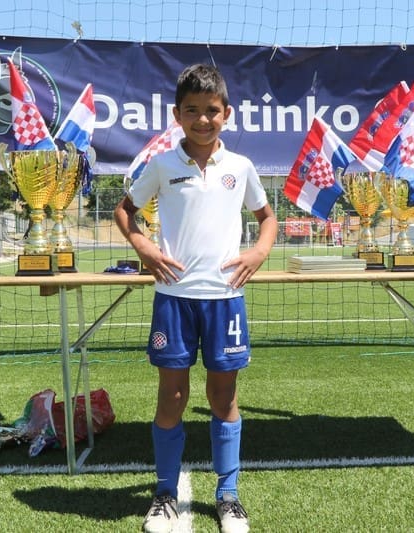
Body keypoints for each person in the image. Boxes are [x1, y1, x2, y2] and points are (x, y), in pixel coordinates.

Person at [114, 63, 277, 533]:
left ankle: (228, 496)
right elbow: (125, 210)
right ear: (177, 115)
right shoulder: (162, 165)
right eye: (192, 111)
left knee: (223, 396)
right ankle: (165, 494)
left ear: (226, 113)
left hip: (225, 298)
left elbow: (267, 218)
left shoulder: (240, 168)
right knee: (173, 395)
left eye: (211, 111)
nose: (203, 120)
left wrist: (259, 252)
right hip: (174, 297)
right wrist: (144, 247)